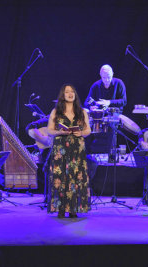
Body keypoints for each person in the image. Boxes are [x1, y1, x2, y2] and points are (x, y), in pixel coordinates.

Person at [47, 84, 91, 218]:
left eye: (72, 91)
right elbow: (49, 130)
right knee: (60, 178)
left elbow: (88, 130)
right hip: (61, 149)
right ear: (63, 95)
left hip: (77, 149)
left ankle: (73, 208)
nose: (70, 94)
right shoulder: (56, 111)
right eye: (67, 92)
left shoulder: (82, 111)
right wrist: (59, 132)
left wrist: (82, 133)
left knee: (75, 177)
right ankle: (60, 208)